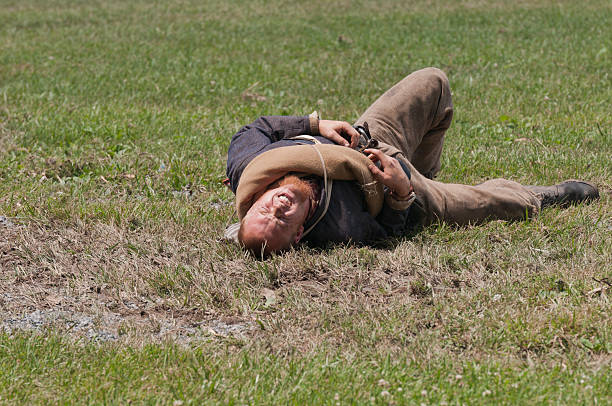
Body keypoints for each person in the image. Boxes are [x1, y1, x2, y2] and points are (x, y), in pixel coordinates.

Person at [224, 68, 599, 255]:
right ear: (300, 234)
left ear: (255, 201)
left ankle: (427, 169)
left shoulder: (249, 168)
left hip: (369, 138)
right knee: (495, 205)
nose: (278, 208)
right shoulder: (340, 228)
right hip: (401, 189)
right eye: (281, 223)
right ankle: (542, 196)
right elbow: (389, 232)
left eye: (264, 212)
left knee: (433, 83)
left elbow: (256, 128)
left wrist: (313, 124)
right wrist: (402, 191)